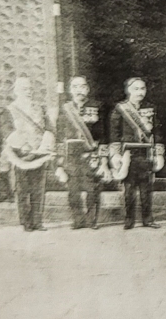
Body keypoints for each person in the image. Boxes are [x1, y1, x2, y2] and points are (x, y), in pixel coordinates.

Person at [0, 76, 55, 232]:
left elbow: (49, 128)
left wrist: (46, 143)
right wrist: (22, 144)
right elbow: (6, 130)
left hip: (40, 152)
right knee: (23, 189)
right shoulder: (9, 109)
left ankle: (38, 221)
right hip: (21, 154)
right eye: (24, 89)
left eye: (30, 89)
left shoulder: (40, 108)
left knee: (39, 188)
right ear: (16, 91)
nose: (28, 92)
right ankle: (26, 222)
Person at [109, 77, 164, 230]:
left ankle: (148, 219)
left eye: (142, 89)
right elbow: (114, 133)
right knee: (129, 190)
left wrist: (159, 153)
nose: (140, 92)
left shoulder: (151, 108)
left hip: (146, 153)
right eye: (136, 89)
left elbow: (157, 132)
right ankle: (129, 220)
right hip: (128, 155)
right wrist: (115, 154)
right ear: (128, 90)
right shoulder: (120, 109)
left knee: (146, 190)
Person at [55, 77, 106, 230]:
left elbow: (103, 134)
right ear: (70, 90)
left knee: (92, 188)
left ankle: (91, 220)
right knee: (73, 190)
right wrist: (59, 160)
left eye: (82, 86)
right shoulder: (65, 109)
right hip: (71, 155)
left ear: (88, 89)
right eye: (75, 87)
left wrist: (103, 157)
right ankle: (78, 220)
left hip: (91, 153)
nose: (79, 90)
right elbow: (59, 135)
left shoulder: (97, 107)